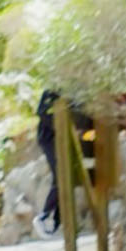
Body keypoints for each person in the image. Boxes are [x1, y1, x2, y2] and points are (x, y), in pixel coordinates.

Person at [35, 89, 94, 236]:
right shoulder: (53, 91)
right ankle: (44, 216)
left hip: (64, 139)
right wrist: (59, 125)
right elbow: (42, 112)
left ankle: (55, 219)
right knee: (61, 175)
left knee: (66, 177)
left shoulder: (79, 93)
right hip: (49, 139)